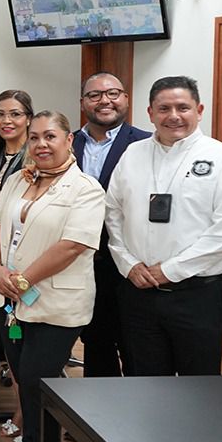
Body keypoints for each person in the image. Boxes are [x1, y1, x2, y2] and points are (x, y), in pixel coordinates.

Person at [0, 110, 104, 442]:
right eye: (34, 137)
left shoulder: (86, 189)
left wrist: (22, 280)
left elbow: (71, 246)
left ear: (69, 140)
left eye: (50, 136)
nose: (41, 144)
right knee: (24, 382)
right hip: (10, 301)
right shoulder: (20, 179)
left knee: (38, 381)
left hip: (56, 303)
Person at [106, 75, 222, 377]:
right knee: (143, 381)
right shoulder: (133, 154)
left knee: (196, 388)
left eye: (182, 108)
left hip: (196, 295)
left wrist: (169, 270)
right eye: (164, 108)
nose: (173, 116)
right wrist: (128, 264)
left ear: (199, 110)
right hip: (138, 292)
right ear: (150, 113)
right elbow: (113, 213)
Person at [72, 72, 149, 378]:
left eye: (113, 93)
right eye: (95, 95)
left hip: (130, 265)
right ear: (82, 103)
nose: (105, 100)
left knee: (136, 348)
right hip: (80, 262)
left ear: (126, 99)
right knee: (95, 344)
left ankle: (137, 421)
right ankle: (96, 421)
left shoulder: (146, 144)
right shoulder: (66, 142)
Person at [0, 88, 33, 442]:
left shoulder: (37, 159)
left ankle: (34, 421)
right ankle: (21, 411)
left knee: (35, 354)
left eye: (15, 114)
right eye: (0, 114)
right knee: (13, 346)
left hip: (32, 270)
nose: (7, 121)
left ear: (29, 117)